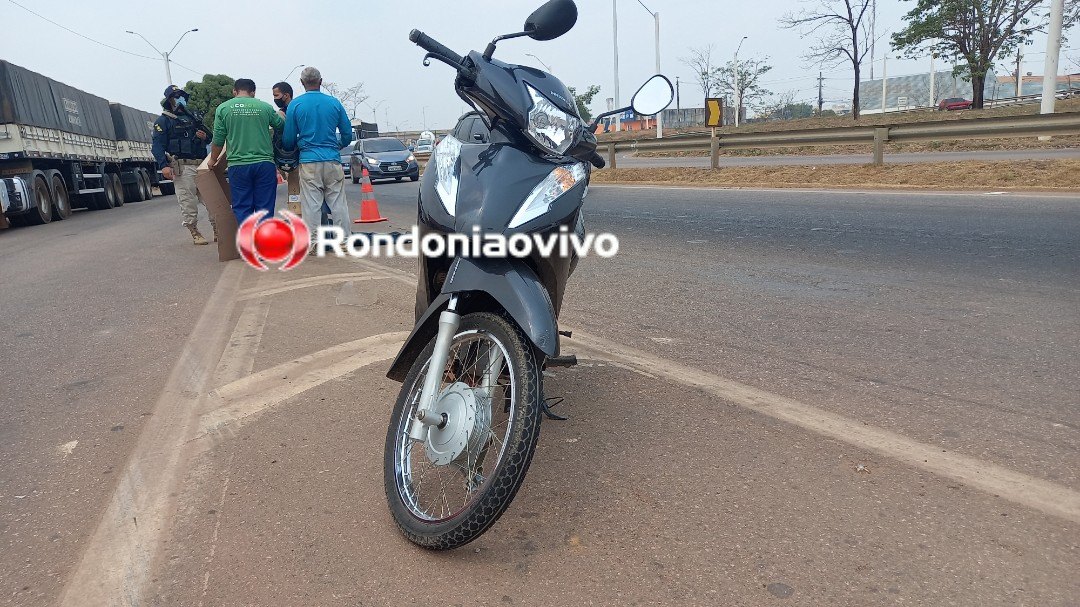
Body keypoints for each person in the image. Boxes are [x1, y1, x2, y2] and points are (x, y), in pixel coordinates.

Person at [282, 67, 354, 251]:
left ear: (301, 82)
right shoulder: (334, 103)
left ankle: (314, 244)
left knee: (311, 204)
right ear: (321, 81)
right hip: (332, 159)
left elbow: (288, 139)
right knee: (338, 202)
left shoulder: (295, 105)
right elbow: (346, 134)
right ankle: (344, 241)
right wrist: (336, 145)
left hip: (309, 161)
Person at [209, 78, 284, 225]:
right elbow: (280, 126)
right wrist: (281, 116)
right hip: (264, 164)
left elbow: (218, 138)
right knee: (265, 208)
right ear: (253, 92)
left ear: (234, 91)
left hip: (238, 165)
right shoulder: (265, 107)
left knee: (242, 207)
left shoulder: (223, 108)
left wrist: (213, 159)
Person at [152, 85, 216, 245]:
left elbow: (211, 138)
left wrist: (204, 137)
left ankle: (218, 230)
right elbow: (157, 146)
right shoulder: (163, 121)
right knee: (188, 202)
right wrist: (164, 165)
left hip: (201, 165)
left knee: (213, 200)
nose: (180, 99)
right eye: (176, 96)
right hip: (182, 167)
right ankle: (194, 231)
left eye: (181, 96)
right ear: (169, 100)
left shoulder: (193, 118)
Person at [274, 81, 330, 226]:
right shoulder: (301, 107)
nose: (275, 98)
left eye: (276, 95)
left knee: (310, 196)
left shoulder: (292, 110)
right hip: (308, 159)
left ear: (286, 95)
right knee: (309, 197)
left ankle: (315, 230)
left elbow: (287, 139)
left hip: (302, 160)